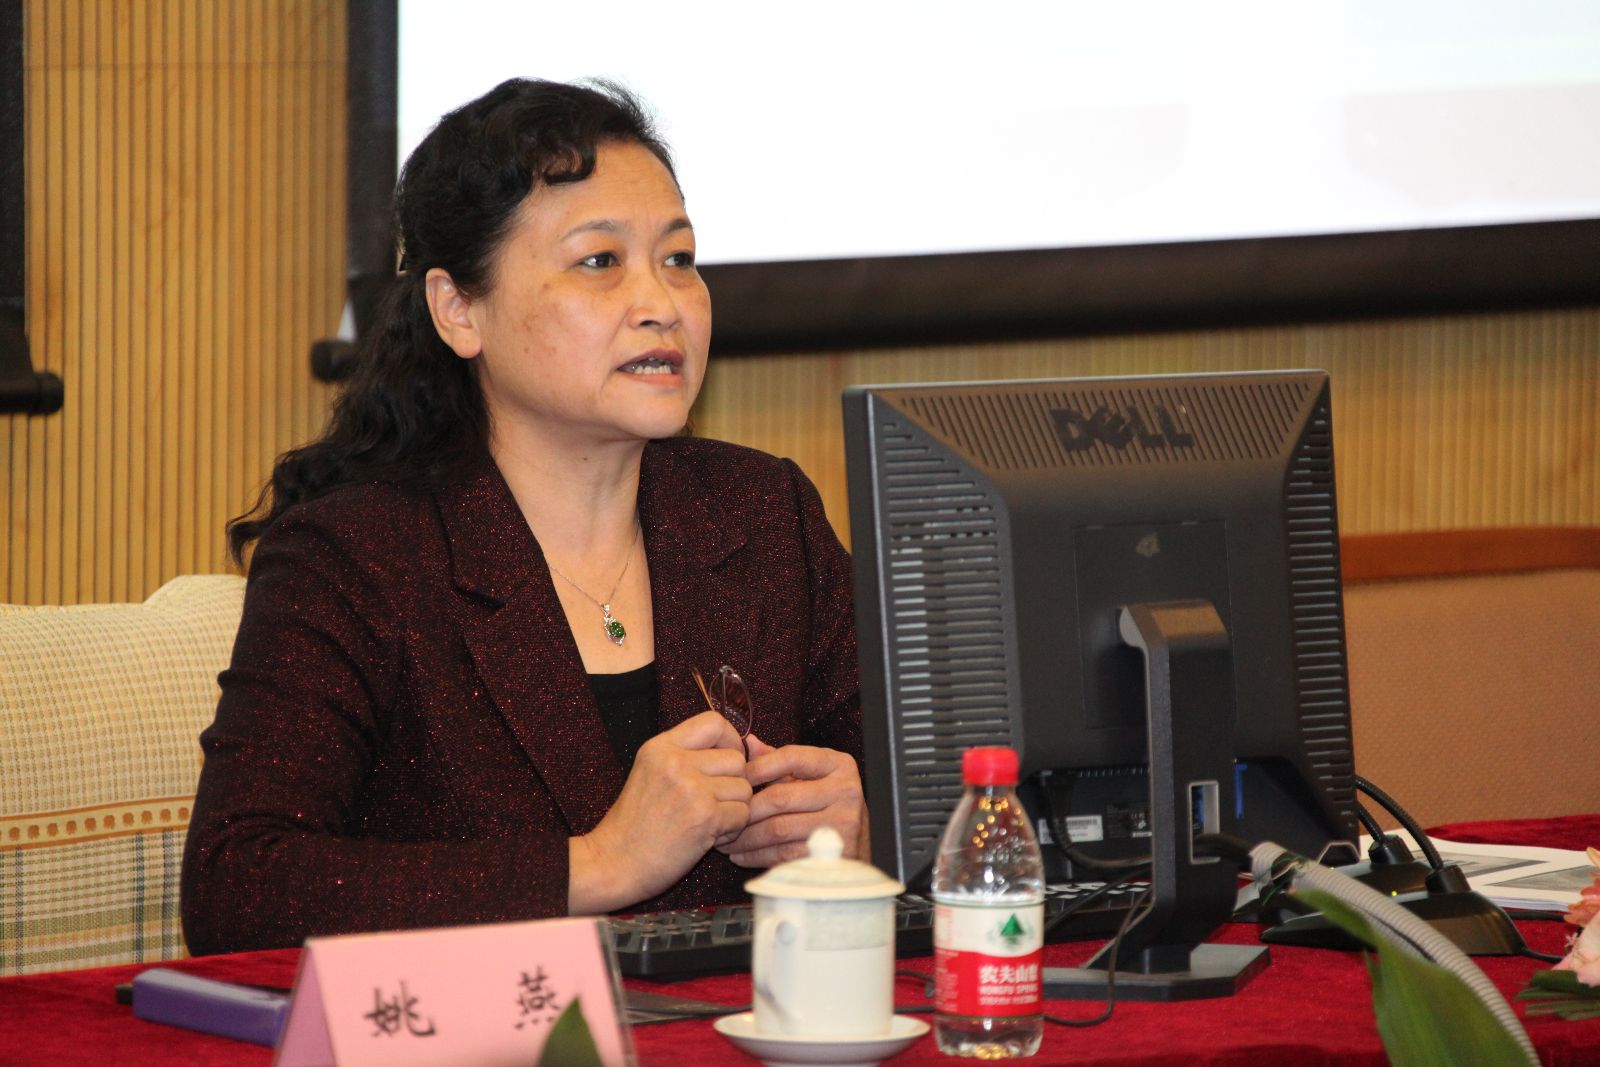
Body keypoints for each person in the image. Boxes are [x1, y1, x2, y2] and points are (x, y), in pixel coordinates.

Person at [180, 78, 865, 956]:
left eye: (679, 258)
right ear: (459, 310)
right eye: (600, 262)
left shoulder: (763, 514)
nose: (662, 303)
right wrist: (598, 863)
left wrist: (862, 830)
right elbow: (239, 886)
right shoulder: (357, 558)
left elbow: (962, 807)